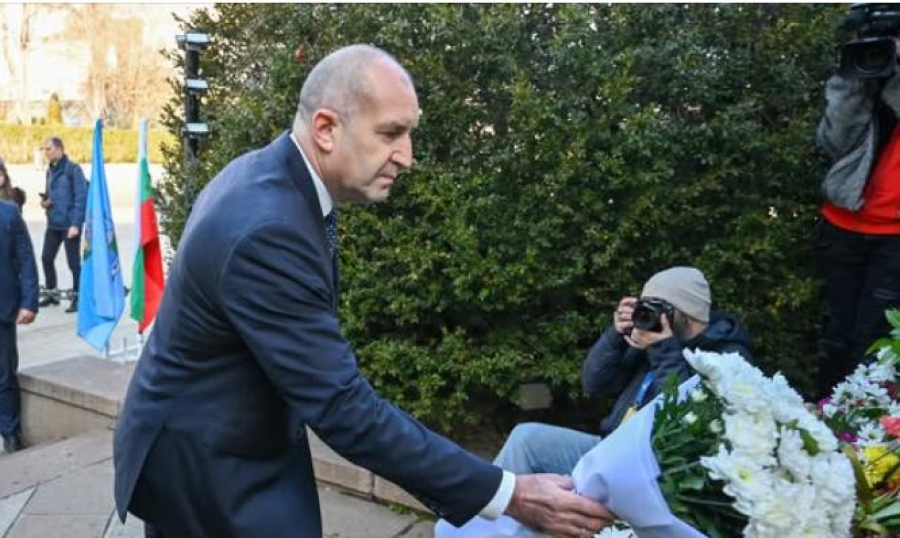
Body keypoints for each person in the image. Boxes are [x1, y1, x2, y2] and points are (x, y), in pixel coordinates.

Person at [113, 45, 612, 538]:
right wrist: (511, 494)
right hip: (206, 466)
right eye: (390, 133)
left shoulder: (270, 175)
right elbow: (342, 407)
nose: (407, 157)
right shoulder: (269, 229)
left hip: (226, 439)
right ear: (326, 129)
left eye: (409, 134)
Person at [493, 266, 753, 475]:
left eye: (658, 307)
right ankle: (486, 520)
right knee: (525, 439)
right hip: (613, 448)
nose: (649, 315)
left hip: (652, 468)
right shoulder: (652, 338)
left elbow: (686, 419)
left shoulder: (728, 357)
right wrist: (615, 335)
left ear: (685, 312)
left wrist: (663, 348)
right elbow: (594, 385)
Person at [814, 52, 900, 399]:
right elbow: (832, 141)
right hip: (841, 225)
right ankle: (823, 416)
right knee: (835, 338)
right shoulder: (868, 67)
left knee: (871, 346)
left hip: (894, 239)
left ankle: (858, 422)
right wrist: (855, 79)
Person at [0, 198, 39, 453]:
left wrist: (29, 303)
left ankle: (10, 433)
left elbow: (26, 259)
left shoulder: (8, 214)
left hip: (3, 309)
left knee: (4, 376)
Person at [38, 137, 87, 313]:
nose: (46, 153)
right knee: (46, 258)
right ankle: (52, 294)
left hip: (69, 225)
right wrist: (45, 202)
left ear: (59, 149)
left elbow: (81, 198)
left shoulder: (74, 170)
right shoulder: (50, 170)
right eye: (44, 149)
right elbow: (51, 194)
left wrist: (76, 224)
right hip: (53, 224)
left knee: (73, 263)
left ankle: (78, 298)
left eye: (48, 149)